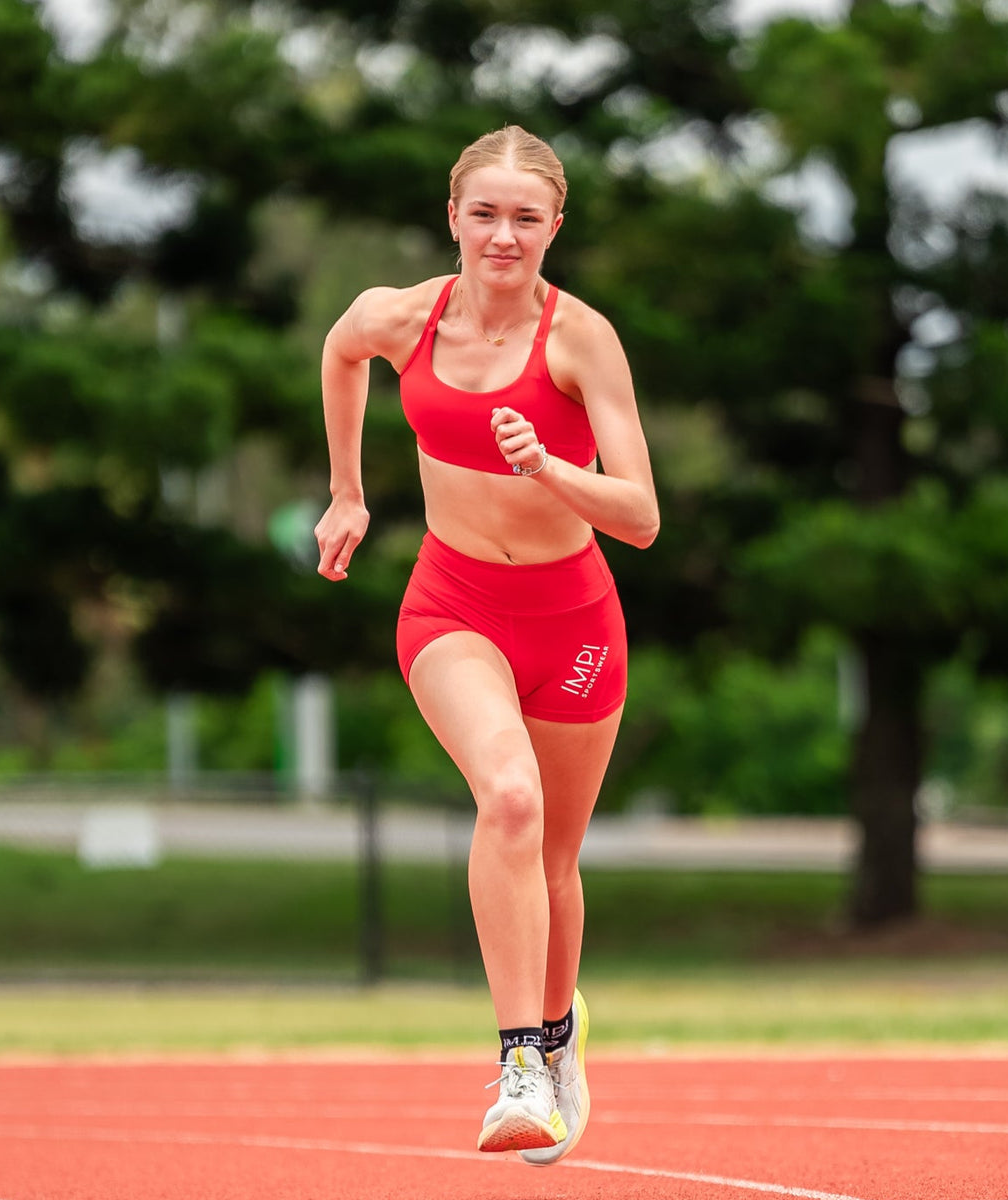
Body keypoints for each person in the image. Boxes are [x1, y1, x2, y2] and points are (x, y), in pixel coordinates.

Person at [314, 124, 658, 1164]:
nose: (502, 236)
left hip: (575, 620)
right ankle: (517, 1063)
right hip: (452, 604)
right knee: (508, 797)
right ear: (452, 216)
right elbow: (339, 348)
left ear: (556, 225)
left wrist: (552, 469)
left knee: (553, 852)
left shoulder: (580, 338)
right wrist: (346, 492)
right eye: (484, 213)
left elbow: (641, 514)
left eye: (525, 217)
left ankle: (558, 1040)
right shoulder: (401, 318)